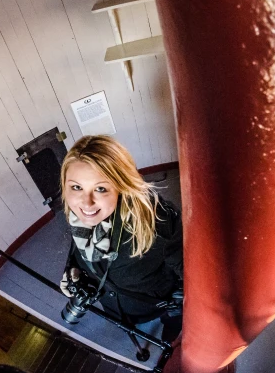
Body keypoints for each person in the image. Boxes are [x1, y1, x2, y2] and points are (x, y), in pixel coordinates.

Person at [57, 135, 184, 342]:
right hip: (114, 306)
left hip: (153, 305)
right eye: (76, 187)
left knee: (173, 326)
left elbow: (194, 275)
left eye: (100, 189)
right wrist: (72, 268)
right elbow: (78, 247)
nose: (86, 203)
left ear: (121, 185)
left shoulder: (157, 220)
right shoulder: (79, 216)